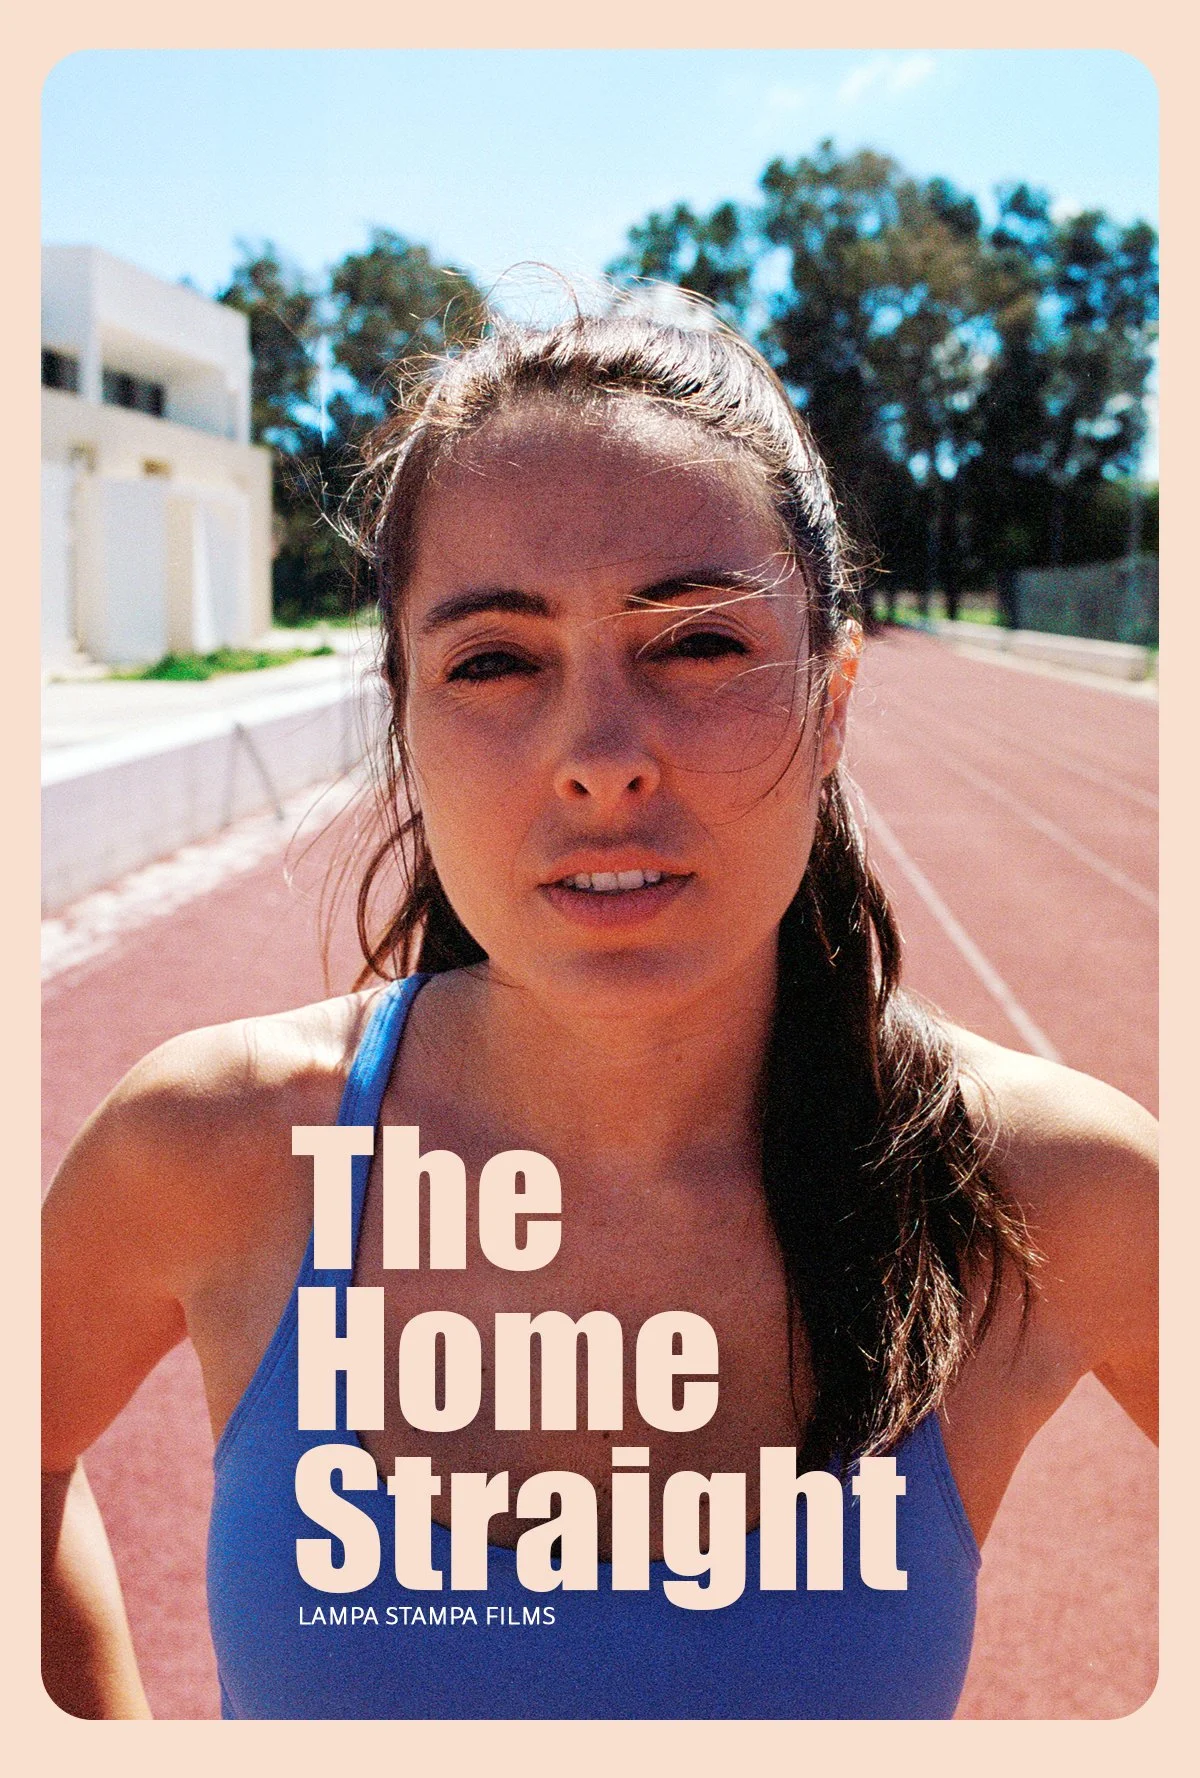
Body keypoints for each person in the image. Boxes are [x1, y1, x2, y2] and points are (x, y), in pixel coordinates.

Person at [41, 296, 1158, 1721]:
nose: (601, 758)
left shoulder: (1046, 1191)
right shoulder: (213, 1148)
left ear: (832, 697)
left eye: (695, 642)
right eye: (495, 661)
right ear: (407, 714)